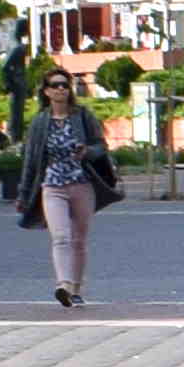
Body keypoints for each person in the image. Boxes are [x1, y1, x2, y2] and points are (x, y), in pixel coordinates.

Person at [18, 75, 115, 306]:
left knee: (79, 240)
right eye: (55, 85)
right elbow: (31, 160)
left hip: (82, 184)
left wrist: (88, 152)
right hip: (52, 186)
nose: (61, 89)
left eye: (64, 85)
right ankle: (63, 284)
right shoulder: (40, 122)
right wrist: (23, 193)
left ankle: (76, 288)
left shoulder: (82, 116)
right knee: (61, 237)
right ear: (46, 92)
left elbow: (102, 146)